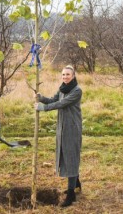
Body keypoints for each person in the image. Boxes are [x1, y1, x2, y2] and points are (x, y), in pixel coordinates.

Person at [34, 65, 82, 207]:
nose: (65, 77)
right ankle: (76, 183)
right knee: (67, 156)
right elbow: (53, 100)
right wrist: (41, 98)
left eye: (68, 74)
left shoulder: (77, 91)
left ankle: (71, 195)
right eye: (63, 74)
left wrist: (43, 108)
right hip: (62, 127)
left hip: (72, 128)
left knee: (71, 157)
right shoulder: (62, 89)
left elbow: (61, 104)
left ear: (73, 76)